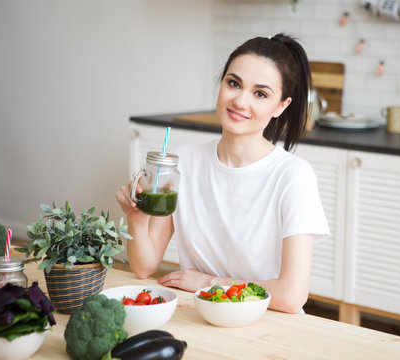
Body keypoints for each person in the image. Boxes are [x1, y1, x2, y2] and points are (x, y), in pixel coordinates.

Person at [116, 33, 329, 314]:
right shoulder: (185, 162)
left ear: (281, 106)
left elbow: (291, 296)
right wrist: (137, 221)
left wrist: (210, 283)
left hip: (267, 321)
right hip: (200, 313)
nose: (240, 101)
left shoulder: (293, 176)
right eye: (234, 83)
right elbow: (144, 267)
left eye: (260, 93)